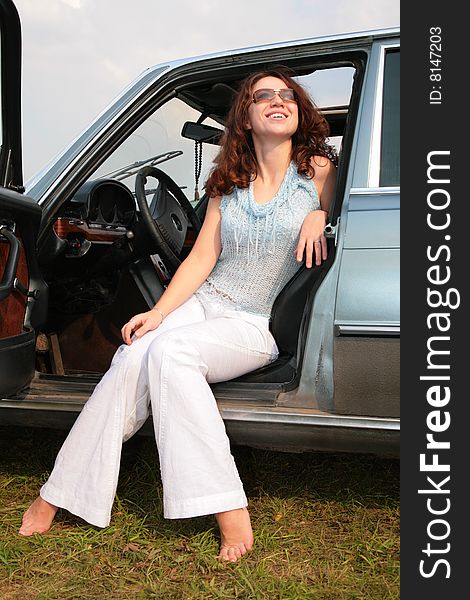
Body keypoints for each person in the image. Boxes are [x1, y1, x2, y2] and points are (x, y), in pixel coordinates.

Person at [19, 68, 337, 562]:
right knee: (131, 358)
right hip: (205, 302)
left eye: (287, 95)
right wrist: (161, 311)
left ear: (298, 110)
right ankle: (58, 493)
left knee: (172, 353)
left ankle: (225, 505)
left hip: (255, 322)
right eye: (263, 97)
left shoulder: (317, 169)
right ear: (246, 118)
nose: (278, 101)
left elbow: (336, 214)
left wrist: (319, 213)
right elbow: (202, 258)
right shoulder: (228, 181)